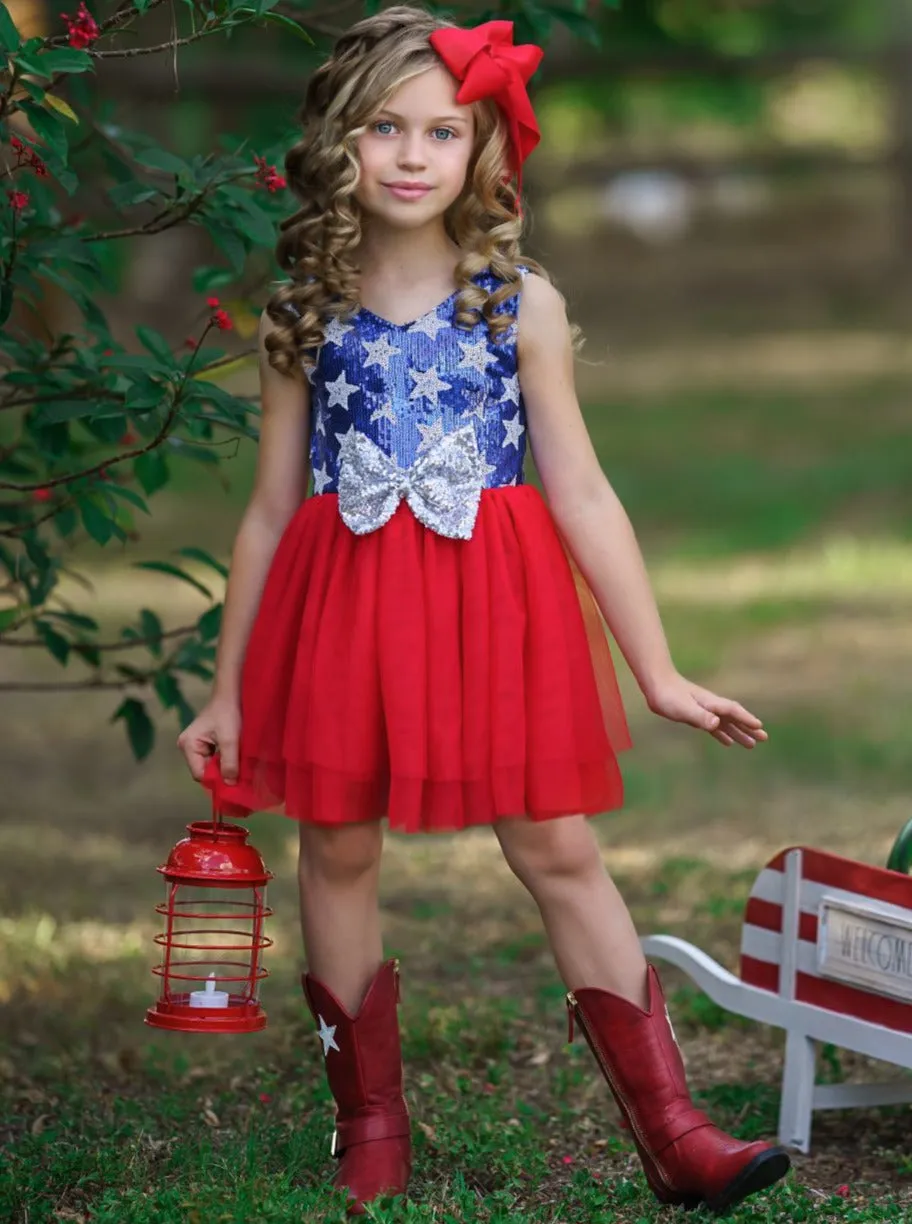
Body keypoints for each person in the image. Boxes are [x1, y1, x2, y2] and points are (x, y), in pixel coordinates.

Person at [177, 5, 790, 1216]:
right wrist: (229, 688)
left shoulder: (521, 303)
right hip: (342, 603)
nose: (411, 155)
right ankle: (370, 1126)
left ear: (480, 151)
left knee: (555, 843)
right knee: (339, 843)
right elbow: (264, 513)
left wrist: (656, 670)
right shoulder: (303, 314)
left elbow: (584, 491)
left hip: (492, 605)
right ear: (339, 147)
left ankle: (675, 1135)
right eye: (383, 129)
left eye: (440, 131)